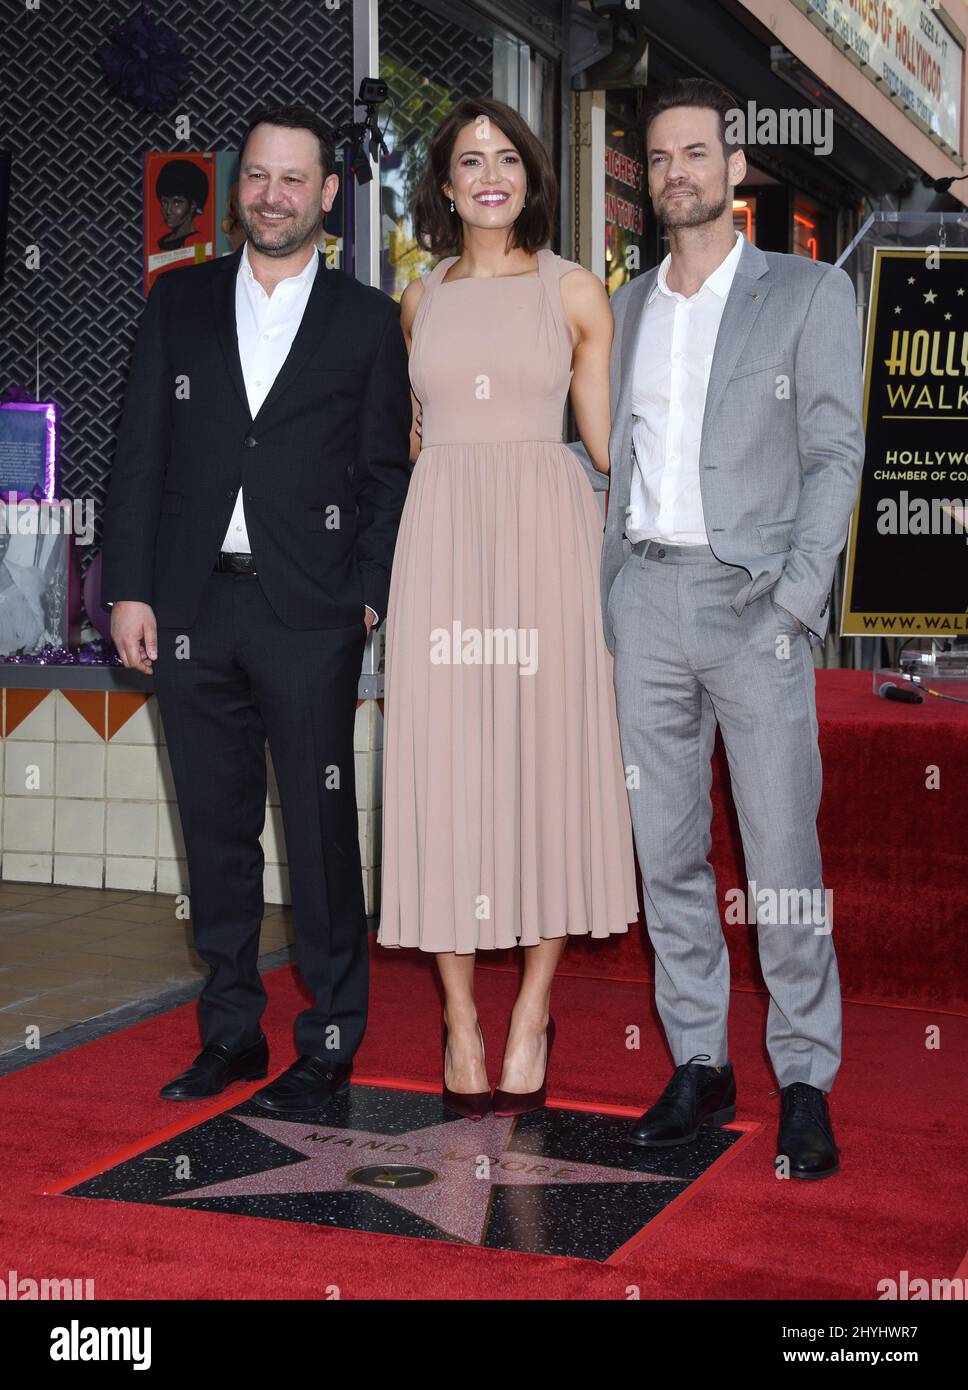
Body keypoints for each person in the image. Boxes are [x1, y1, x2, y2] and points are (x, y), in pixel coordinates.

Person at [102, 105, 411, 1111]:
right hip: (190, 609)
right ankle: (230, 1031)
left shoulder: (367, 320)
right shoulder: (177, 302)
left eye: (294, 180)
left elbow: (382, 473)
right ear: (239, 190)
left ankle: (327, 1037)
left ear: (328, 194)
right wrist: (130, 589)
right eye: (257, 178)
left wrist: (366, 600)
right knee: (215, 829)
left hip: (309, 617)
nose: (273, 196)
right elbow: (136, 457)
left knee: (320, 834)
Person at [599, 78, 864, 1177]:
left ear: (734, 164)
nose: (677, 174)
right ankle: (699, 1059)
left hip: (755, 604)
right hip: (646, 602)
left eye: (695, 153)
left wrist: (797, 600)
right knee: (662, 851)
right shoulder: (624, 309)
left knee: (780, 851)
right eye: (659, 158)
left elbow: (833, 453)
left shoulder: (802, 294)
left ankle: (803, 1075)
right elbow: (603, 455)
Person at [377, 97, 639, 1119]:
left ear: (530, 176)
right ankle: (457, 1013)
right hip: (441, 543)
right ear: (442, 185)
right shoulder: (417, 297)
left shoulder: (575, 293)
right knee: (442, 770)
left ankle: (530, 1007)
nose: (489, 174)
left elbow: (608, 448)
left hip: (543, 544)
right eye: (467, 160)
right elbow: (413, 438)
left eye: (505, 159)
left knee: (542, 767)